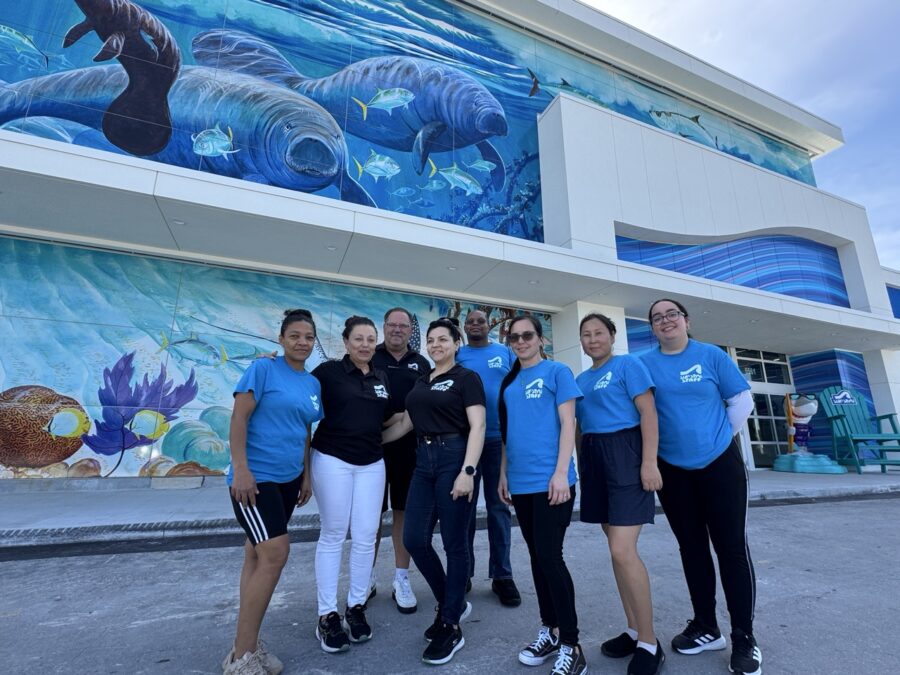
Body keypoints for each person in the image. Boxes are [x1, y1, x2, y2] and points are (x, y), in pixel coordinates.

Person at [639, 299, 759, 675]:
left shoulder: (710, 356)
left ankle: (744, 636)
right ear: (653, 328)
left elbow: (742, 400)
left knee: (730, 549)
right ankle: (707, 626)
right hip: (671, 471)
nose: (665, 321)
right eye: (657, 318)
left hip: (720, 466)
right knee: (691, 548)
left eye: (672, 314)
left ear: (686, 321)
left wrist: (718, 437)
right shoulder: (644, 362)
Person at [223, 309, 323, 675]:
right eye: (295, 335)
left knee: (256, 555)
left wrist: (307, 476)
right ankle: (243, 657)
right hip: (256, 479)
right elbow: (239, 418)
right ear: (281, 339)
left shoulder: (312, 384)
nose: (302, 342)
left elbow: (305, 431)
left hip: (288, 480)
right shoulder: (262, 370)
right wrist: (242, 470)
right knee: (276, 553)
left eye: (309, 337)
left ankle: (245, 645)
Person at [382, 317, 486, 665]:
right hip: (422, 462)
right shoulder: (422, 380)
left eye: (443, 339)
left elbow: (478, 425)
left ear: (456, 344)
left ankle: (450, 623)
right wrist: (360, 443)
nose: (436, 344)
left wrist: (468, 471)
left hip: (454, 457)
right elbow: (403, 424)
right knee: (414, 538)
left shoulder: (466, 378)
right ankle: (451, 601)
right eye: (431, 340)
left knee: (455, 543)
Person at [498, 315, 587, 675]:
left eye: (527, 335)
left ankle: (572, 644)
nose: (521, 341)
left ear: (540, 339)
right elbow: (508, 434)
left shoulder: (557, 373)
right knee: (537, 558)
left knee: (550, 557)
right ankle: (549, 630)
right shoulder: (509, 382)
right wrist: (503, 473)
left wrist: (561, 473)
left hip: (553, 481)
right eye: (515, 337)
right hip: (520, 483)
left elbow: (570, 423)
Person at [576, 313, 664, 675]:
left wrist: (649, 462)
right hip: (594, 460)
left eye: (599, 333)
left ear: (612, 336)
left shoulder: (629, 365)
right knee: (615, 552)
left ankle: (650, 642)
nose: (593, 339)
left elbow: (648, 413)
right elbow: (579, 427)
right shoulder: (581, 380)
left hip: (626, 454)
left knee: (622, 549)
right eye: (586, 334)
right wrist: (583, 469)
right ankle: (632, 630)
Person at [309, 316, 393, 653]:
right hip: (332, 459)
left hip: (372, 464)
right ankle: (327, 615)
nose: (365, 345)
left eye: (371, 339)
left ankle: (355, 607)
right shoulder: (327, 373)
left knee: (365, 536)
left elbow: (389, 420)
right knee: (333, 534)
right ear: (345, 342)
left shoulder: (381, 376)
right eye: (358, 339)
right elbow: (303, 405)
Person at [457, 309, 521, 606]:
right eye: (470, 321)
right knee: (464, 510)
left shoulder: (505, 353)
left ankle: (502, 576)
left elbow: (517, 388)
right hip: (468, 442)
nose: (476, 325)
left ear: (488, 326)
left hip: (498, 441)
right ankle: (463, 574)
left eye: (481, 321)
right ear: (465, 327)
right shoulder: (459, 355)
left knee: (498, 508)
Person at [371, 307, 430, 614]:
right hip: (372, 452)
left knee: (403, 515)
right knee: (369, 519)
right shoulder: (370, 356)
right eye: (392, 324)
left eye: (402, 326)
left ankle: (401, 579)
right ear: (384, 327)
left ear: (410, 331)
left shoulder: (421, 364)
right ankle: (364, 579)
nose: (397, 329)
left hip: (410, 452)